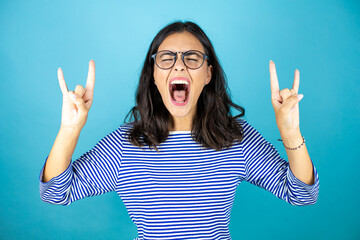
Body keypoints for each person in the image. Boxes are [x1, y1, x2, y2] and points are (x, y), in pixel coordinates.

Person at [39, 21, 319, 239]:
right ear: (154, 76)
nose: (179, 64)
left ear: (208, 74)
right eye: (167, 58)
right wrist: (69, 129)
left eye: (192, 57)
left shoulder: (236, 138)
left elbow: (301, 194)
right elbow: (55, 192)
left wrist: (291, 132)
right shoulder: (125, 145)